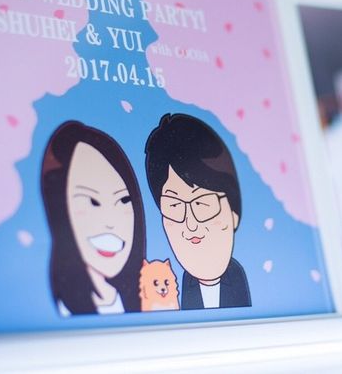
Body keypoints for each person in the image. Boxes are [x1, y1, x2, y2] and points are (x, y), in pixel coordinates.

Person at [145, 113, 251, 310]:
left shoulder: (236, 277)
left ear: (234, 214)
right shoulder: (185, 283)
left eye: (202, 204)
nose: (190, 224)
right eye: (174, 205)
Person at [41, 121, 146, 315]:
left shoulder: (136, 301)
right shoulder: (63, 309)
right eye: (92, 202)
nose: (110, 223)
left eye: (124, 200)